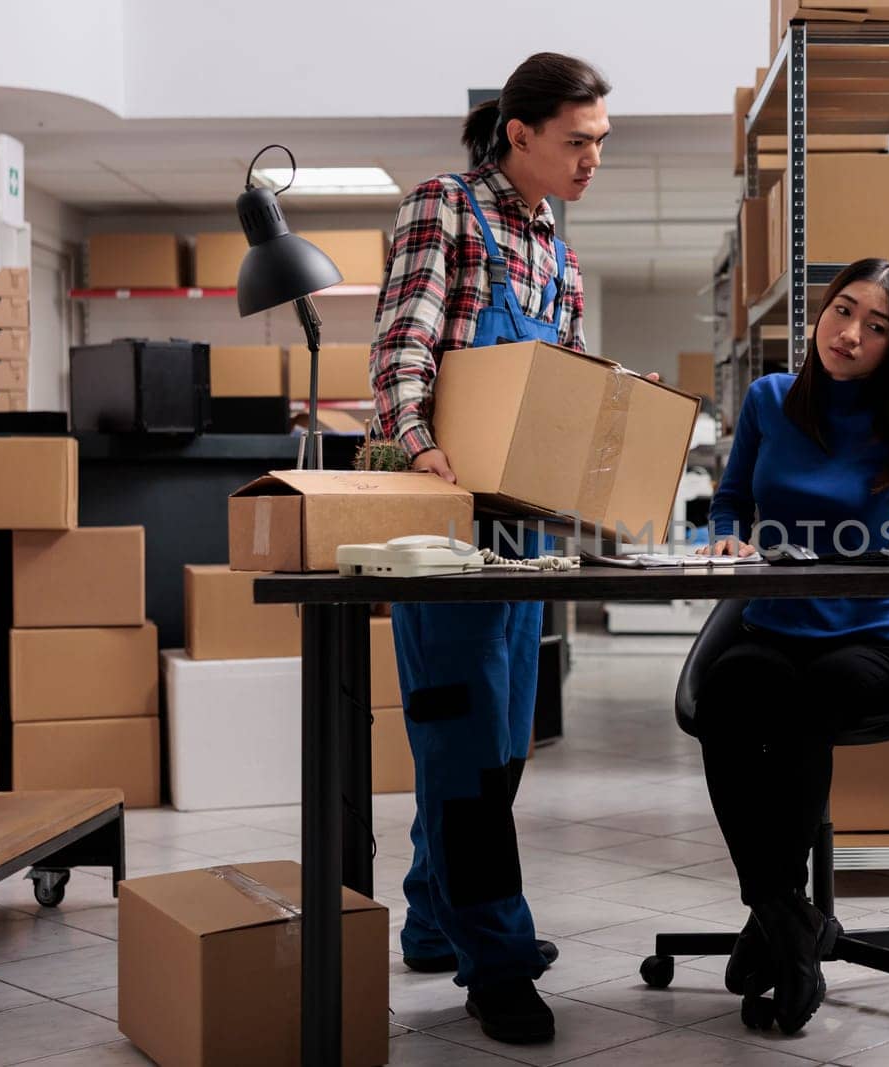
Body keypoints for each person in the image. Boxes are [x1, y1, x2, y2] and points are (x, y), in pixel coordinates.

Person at [368, 52, 611, 1045]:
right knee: (464, 743)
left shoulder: (557, 245)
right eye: (576, 141)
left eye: (601, 141)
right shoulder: (445, 209)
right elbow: (400, 347)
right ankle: (496, 958)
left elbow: (563, 390)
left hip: (526, 522)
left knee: (502, 741)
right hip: (442, 514)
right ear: (517, 134)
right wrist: (427, 453)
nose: (592, 158)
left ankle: (433, 914)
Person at [695, 258, 889, 1034]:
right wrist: (729, 539)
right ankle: (788, 915)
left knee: (807, 702)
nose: (852, 334)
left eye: (877, 327)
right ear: (819, 315)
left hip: (875, 638)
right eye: (844, 311)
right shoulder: (770, 400)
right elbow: (731, 500)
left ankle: (777, 922)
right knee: (728, 695)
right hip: (772, 623)